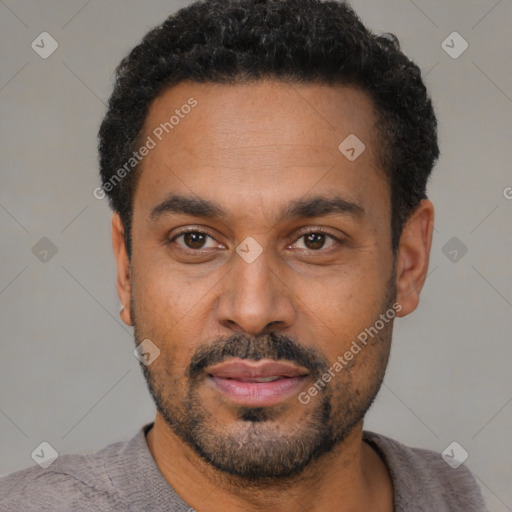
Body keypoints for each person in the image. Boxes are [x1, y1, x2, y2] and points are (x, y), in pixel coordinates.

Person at [0, 0, 487, 510]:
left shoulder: (456, 495)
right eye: (194, 240)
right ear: (126, 270)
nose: (253, 311)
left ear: (407, 262)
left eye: (315, 240)